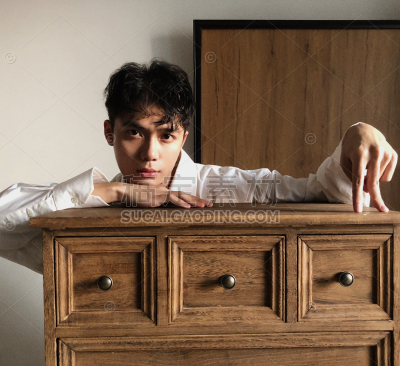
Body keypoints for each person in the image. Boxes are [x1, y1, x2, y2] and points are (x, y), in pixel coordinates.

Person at [0, 60, 397, 274]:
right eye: (134, 133)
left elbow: (327, 196)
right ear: (110, 132)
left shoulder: (233, 187)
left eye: (166, 136)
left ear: (184, 137)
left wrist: (357, 132)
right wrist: (115, 190)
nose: (149, 153)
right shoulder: (83, 206)